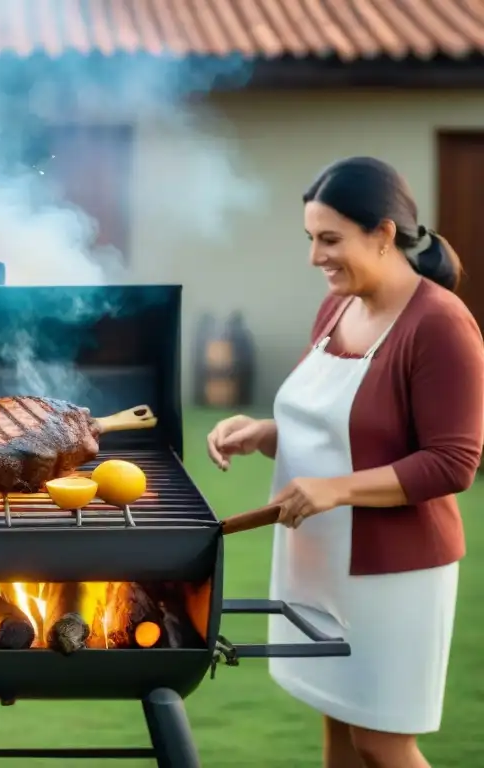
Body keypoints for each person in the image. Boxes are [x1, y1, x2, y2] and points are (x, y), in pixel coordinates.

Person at [206, 156, 483, 768]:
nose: (315, 257)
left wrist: (336, 490)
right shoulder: (338, 309)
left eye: (330, 240)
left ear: (383, 234)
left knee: (382, 742)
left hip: (393, 573)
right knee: (338, 724)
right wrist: (263, 433)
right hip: (319, 559)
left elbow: (453, 463)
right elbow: (340, 429)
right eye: (311, 239)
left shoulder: (439, 324)